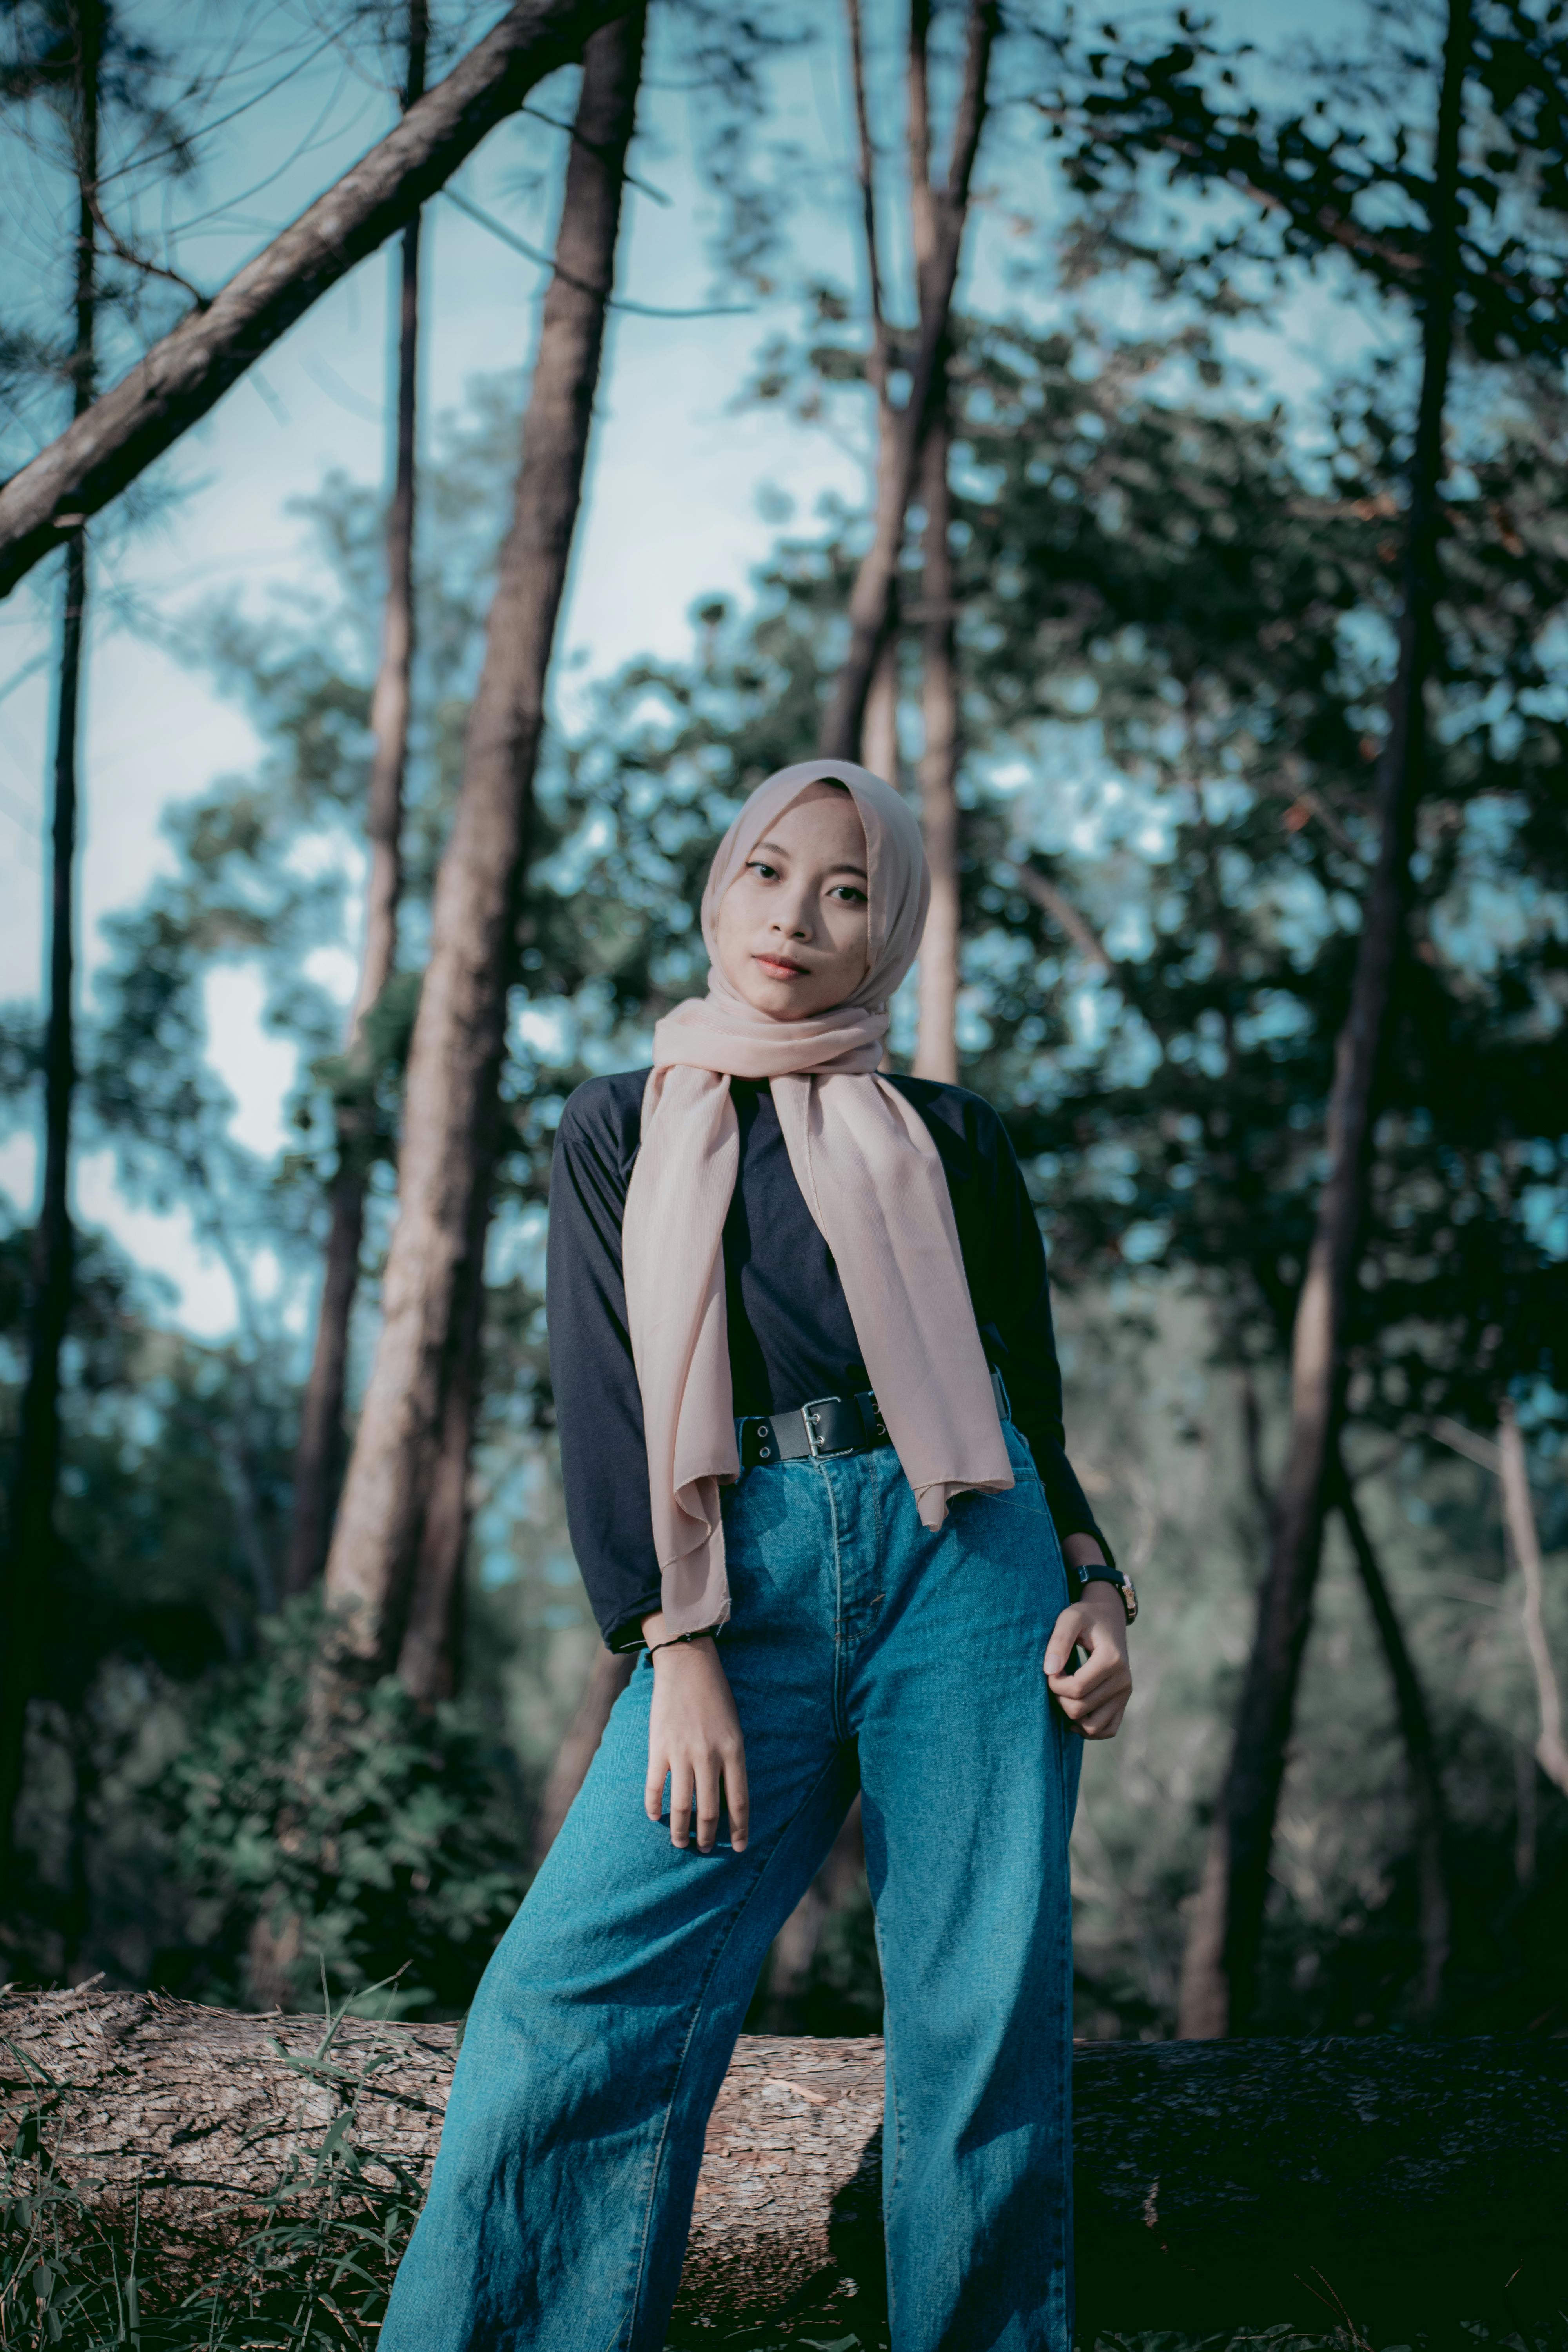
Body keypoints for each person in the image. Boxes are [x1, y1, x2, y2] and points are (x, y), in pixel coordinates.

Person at [380, 760, 1134, 2352]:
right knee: (563, 2003)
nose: (798, 915)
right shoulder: (621, 1123)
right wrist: (673, 1641)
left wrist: (1096, 1580)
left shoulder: (950, 1135)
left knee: (979, 2017)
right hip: (741, 1573)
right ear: (720, 891)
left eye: (849, 889)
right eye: (769, 873)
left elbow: (1024, 1390)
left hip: (971, 1562)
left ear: (893, 926)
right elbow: (600, 1396)